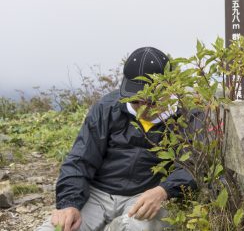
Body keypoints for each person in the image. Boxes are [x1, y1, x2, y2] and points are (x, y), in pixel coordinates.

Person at [37, 47, 196, 231]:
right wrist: (69, 203)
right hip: (96, 195)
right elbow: (80, 159)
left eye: (151, 101)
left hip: (145, 196)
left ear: (168, 88)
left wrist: (164, 191)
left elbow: (191, 166)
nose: (143, 109)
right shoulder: (107, 108)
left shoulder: (188, 115)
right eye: (136, 100)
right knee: (54, 228)